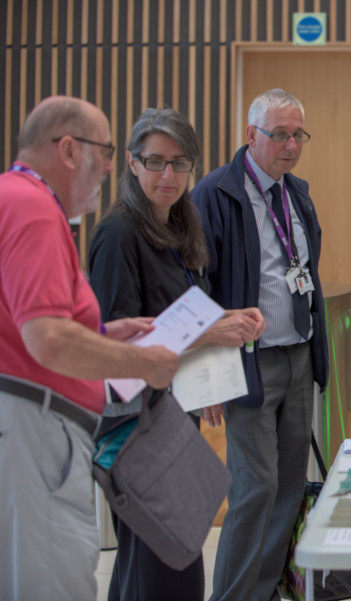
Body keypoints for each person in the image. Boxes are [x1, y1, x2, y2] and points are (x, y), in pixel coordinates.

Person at [0, 96, 180, 601]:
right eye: (102, 151)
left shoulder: (14, 198)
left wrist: (102, 336)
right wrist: (144, 360)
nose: (107, 166)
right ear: (67, 149)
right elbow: (49, 340)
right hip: (39, 431)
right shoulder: (34, 208)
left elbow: (28, 328)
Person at [87, 107, 265, 601]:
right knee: (166, 567)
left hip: (174, 410)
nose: (169, 176)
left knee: (157, 562)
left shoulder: (184, 224)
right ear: (131, 163)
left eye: (180, 163)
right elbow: (114, 350)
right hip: (136, 425)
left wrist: (215, 352)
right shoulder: (119, 233)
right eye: (156, 162)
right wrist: (212, 331)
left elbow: (186, 313)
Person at [192, 88, 329, 601]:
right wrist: (208, 373)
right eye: (279, 134)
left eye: (298, 135)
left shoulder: (297, 193)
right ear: (251, 136)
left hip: (297, 356)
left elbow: (304, 270)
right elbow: (198, 286)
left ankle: (266, 591)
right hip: (247, 364)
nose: (291, 145)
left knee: (289, 488)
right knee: (255, 489)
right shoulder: (215, 194)